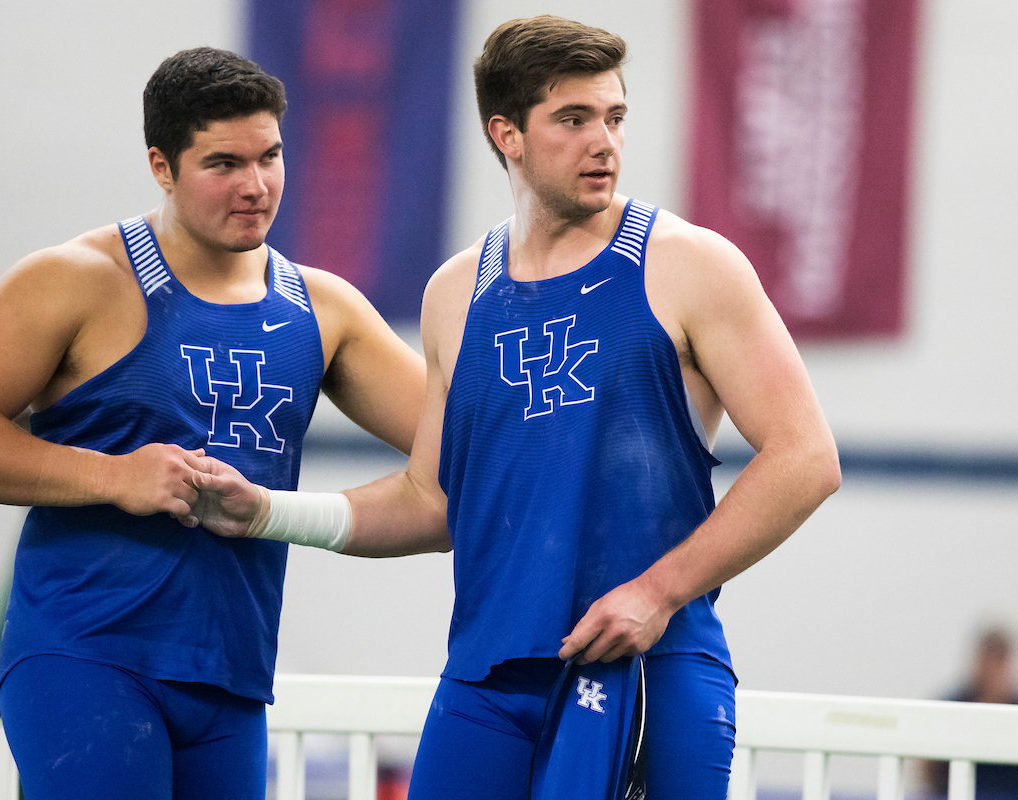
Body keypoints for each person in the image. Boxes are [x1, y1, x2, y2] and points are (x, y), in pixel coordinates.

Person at [187, 15, 841, 800]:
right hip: (489, 679)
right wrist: (267, 513)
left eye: (614, 117)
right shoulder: (455, 293)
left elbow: (806, 458)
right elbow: (430, 504)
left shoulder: (691, 266)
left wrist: (658, 592)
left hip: (648, 669)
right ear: (508, 135)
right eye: (573, 119)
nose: (604, 141)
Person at [0, 47, 424, 800]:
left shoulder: (324, 309)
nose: (255, 186)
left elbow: (472, 442)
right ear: (161, 164)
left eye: (271, 157)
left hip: (230, 675)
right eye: (223, 164)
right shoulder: (74, 279)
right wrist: (111, 475)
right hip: (86, 656)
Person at [923, 626, 1018, 799]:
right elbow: (927, 763)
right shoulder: (952, 705)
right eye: (987, 657)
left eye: (999, 659)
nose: (991, 669)